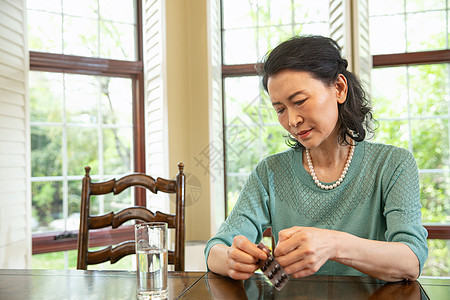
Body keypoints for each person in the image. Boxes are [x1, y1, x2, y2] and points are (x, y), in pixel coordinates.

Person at [204, 35, 428, 282]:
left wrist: (334, 244)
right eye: (280, 109)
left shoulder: (393, 164)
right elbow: (215, 249)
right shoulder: (270, 172)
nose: (291, 120)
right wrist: (231, 260)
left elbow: (411, 260)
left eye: (299, 101)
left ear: (339, 88)